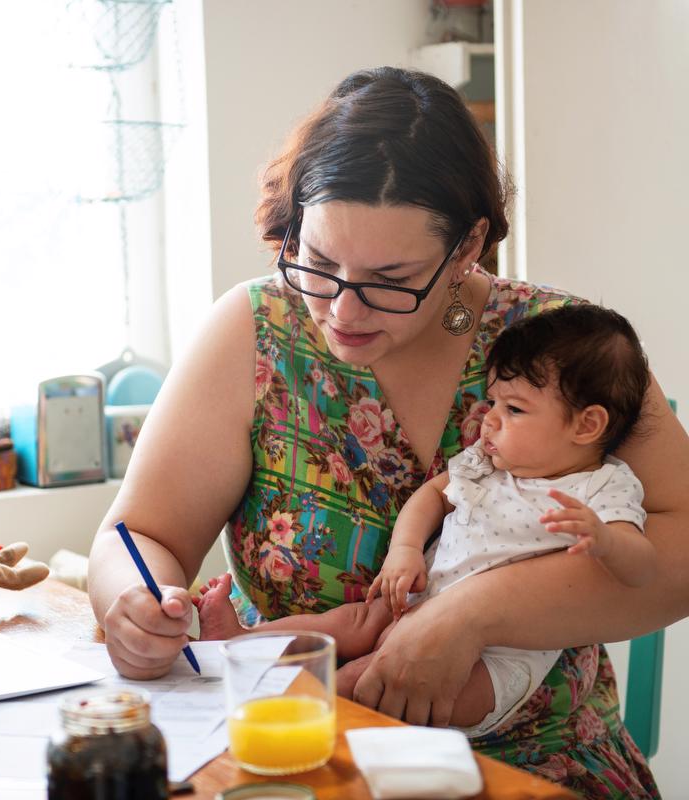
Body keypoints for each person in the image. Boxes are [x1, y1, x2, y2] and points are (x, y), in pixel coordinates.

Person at [88, 67, 689, 798]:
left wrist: (474, 611)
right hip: (295, 741)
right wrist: (135, 607)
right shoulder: (256, 329)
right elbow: (138, 534)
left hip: (527, 763)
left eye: (388, 278)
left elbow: (682, 547)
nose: (342, 309)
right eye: (316, 263)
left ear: (468, 246)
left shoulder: (566, 349)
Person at [194, 303, 656, 738]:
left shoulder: (602, 488)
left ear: (587, 425)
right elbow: (431, 497)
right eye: (493, 403)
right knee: (352, 621)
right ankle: (243, 643)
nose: (489, 421)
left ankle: (289, 717)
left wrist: (603, 540)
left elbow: (642, 569)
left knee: (368, 680)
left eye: (513, 409)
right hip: (419, 598)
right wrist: (405, 550)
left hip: (496, 659)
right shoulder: (487, 462)